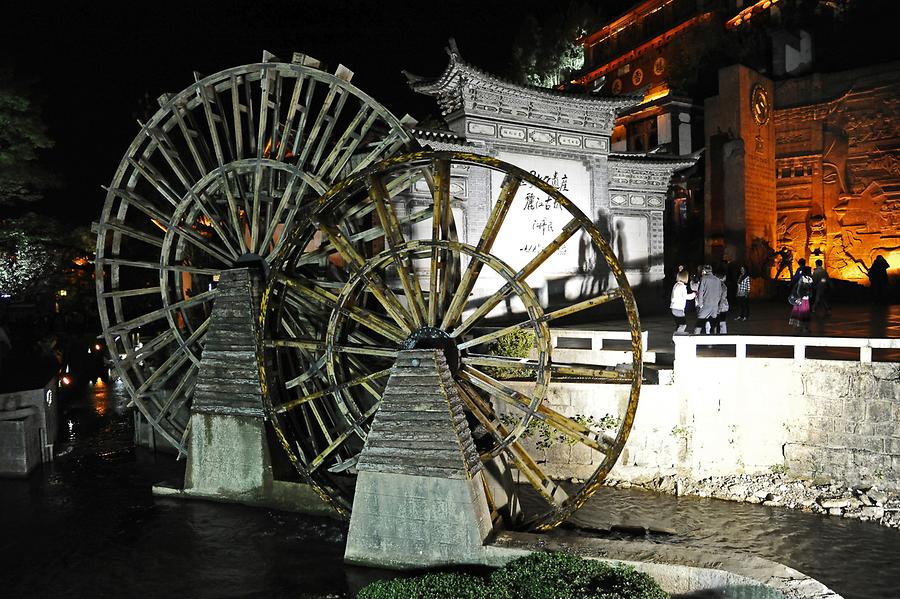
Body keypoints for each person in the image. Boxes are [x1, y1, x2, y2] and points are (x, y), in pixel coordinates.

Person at [694, 265, 722, 335]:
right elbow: (720, 292)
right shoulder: (717, 279)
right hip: (715, 305)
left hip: (706, 304)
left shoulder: (704, 279)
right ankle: (714, 340)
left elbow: (700, 292)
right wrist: (716, 302)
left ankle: (695, 339)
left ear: (704, 271)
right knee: (714, 324)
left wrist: (700, 304)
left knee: (699, 323)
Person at [788, 264, 814, 333]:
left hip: (805, 299)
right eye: (810, 271)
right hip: (802, 299)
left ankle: (800, 328)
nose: (811, 272)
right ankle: (804, 328)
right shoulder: (803, 279)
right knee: (803, 314)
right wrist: (800, 297)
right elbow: (799, 290)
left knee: (802, 314)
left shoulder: (809, 279)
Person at [670, 270, 695, 335]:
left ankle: (676, 338)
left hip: (674, 307)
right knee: (682, 325)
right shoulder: (682, 286)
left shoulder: (676, 285)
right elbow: (685, 296)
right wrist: (694, 294)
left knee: (679, 325)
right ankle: (678, 338)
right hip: (678, 308)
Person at [715, 268, 729, 334]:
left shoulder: (715, 286)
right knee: (722, 321)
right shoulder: (723, 286)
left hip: (716, 306)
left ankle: (718, 333)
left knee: (717, 321)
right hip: (722, 306)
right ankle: (723, 334)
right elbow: (723, 298)